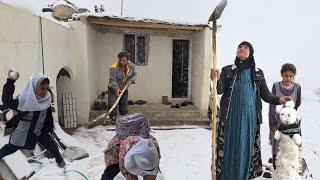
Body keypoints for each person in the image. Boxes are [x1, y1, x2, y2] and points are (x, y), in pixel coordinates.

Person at [210, 41, 289, 180]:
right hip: (230, 116)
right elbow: (219, 90)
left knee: (244, 148)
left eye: (245, 48)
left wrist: (279, 100)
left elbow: (265, 95)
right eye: (239, 47)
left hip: (249, 118)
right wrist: (214, 79)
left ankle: (243, 176)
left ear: (250, 53)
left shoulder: (258, 73)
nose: (242, 49)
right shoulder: (227, 70)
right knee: (229, 146)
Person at [0, 74, 65, 168]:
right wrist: (10, 82)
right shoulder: (25, 100)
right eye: (42, 89)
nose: (45, 91)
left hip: (39, 129)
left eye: (47, 88)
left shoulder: (47, 98)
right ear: (34, 88)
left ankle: (61, 162)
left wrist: (50, 129)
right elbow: (7, 102)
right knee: (11, 148)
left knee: (52, 146)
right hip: (24, 130)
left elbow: (48, 115)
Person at [101, 113, 160, 180]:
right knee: (111, 171)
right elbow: (125, 170)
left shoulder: (152, 146)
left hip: (140, 135)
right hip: (121, 144)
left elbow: (153, 171)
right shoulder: (121, 147)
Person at [268, 63, 301, 169]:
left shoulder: (297, 87)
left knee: (291, 144)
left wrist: (292, 120)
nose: (288, 78)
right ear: (282, 75)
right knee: (276, 144)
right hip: (277, 120)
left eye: (291, 76)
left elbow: (298, 103)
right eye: (286, 75)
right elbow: (272, 104)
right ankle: (276, 166)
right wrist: (272, 123)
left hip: (291, 123)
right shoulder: (276, 86)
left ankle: (289, 168)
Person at [108, 51, 137, 120]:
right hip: (113, 88)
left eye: (123, 60)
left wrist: (131, 80)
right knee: (113, 103)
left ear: (128, 60)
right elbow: (112, 80)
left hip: (124, 88)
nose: (121, 62)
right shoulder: (113, 67)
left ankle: (124, 119)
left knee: (124, 105)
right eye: (120, 60)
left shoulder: (131, 66)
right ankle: (113, 118)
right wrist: (116, 88)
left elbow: (134, 74)